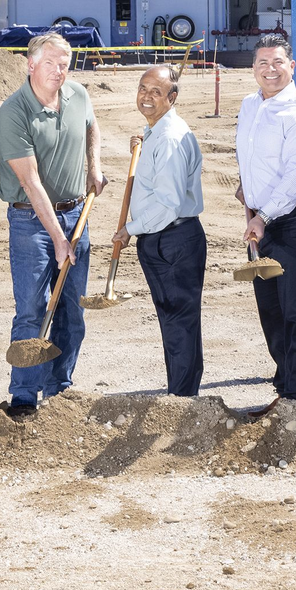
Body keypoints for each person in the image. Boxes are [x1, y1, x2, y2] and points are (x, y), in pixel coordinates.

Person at [0, 31, 105, 418]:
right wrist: (59, 238)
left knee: (72, 309)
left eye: (64, 64)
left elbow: (92, 127)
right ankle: (24, 395)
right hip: (31, 220)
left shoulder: (78, 94)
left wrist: (94, 166)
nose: (59, 71)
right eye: (50, 63)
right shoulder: (14, 111)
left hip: (78, 212)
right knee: (32, 307)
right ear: (30, 64)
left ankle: (60, 388)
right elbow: (30, 181)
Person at [236, 33, 296, 414]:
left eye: (278, 63)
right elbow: (248, 156)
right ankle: (283, 379)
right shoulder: (249, 105)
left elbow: (294, 177)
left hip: (295, 223)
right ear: (253, 68)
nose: (270, 70)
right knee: (271, 310)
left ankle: (295, 397)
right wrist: (247, 195)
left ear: (293, 66)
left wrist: (263, 215)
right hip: (261, 222)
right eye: (262, 63)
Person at [114, 66, 207, 395]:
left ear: (173, 97)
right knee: (174, 323)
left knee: (179, 324)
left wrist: (129, 229)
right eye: (143, 89)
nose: (147, 96)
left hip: (172, 239)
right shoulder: (158, 132)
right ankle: (181, 394)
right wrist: (144, 139)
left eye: (157, 91)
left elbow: (168, 204)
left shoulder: (168, 138)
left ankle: (183, 399)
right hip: (165, 237)